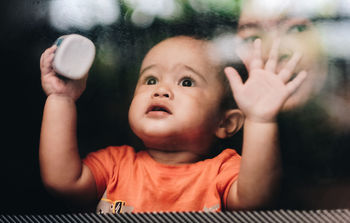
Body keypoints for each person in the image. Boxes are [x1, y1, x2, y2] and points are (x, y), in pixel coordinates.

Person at [39, 35, 306, 213]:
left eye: (186, 82)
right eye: (150, 80)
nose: (161, 90)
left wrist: (260, 119)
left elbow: (255, 201)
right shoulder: (115, 165)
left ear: (225, 122)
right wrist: (61, 98)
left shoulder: (221, 171)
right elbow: (62, 182)